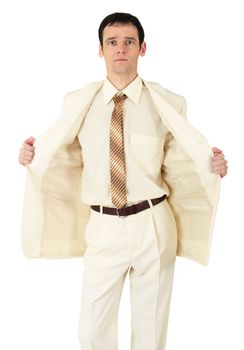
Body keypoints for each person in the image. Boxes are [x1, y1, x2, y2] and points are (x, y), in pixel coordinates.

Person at [18, 12, 228, 350]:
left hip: (152, 223)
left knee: (150, 330)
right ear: (100, 50)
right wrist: (32, 156)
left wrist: (211, 165)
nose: (121, 49)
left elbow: (180, 163)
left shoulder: (168, 103)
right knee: (91, 330)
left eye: (129, 42)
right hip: (102, 226)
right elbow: (65, 157)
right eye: (112, 42)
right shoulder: (77, 102)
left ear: (142, 49)